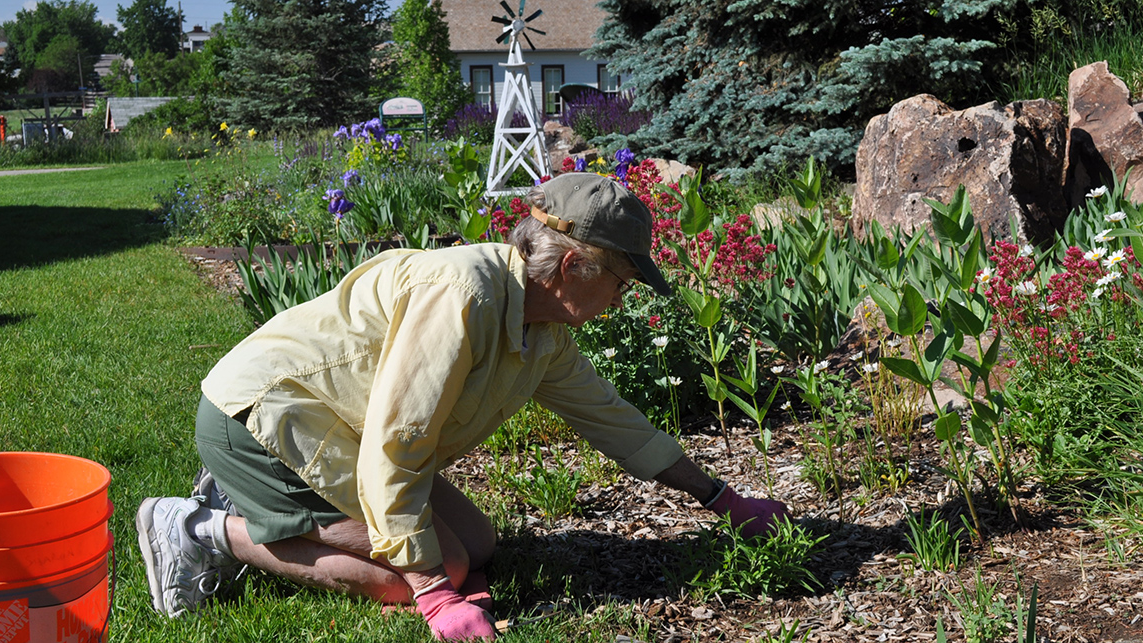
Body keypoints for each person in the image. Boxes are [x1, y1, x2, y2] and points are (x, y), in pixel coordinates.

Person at [136, 172, 790, 641]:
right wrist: (431, 592)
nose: (623, 299)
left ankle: (251, 506)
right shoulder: (463, 294)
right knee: (433, 567)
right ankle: (198, 529)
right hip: (261, 417)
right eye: (621, 281)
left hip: (331, 426)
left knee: (476, 543)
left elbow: (612, 418)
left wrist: (721, 499)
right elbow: (397, 442)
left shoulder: (543, 332)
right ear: (573, 268)